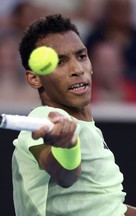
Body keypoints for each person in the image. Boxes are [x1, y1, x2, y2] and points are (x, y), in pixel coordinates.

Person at [13, 14, 136, 215]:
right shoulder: (43, 118)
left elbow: (112, 210)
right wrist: (67, 147)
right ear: (35, 78)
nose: (77, 69)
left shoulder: (89, 130)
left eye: (81, 56)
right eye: (59, 62)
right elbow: (65, 176)